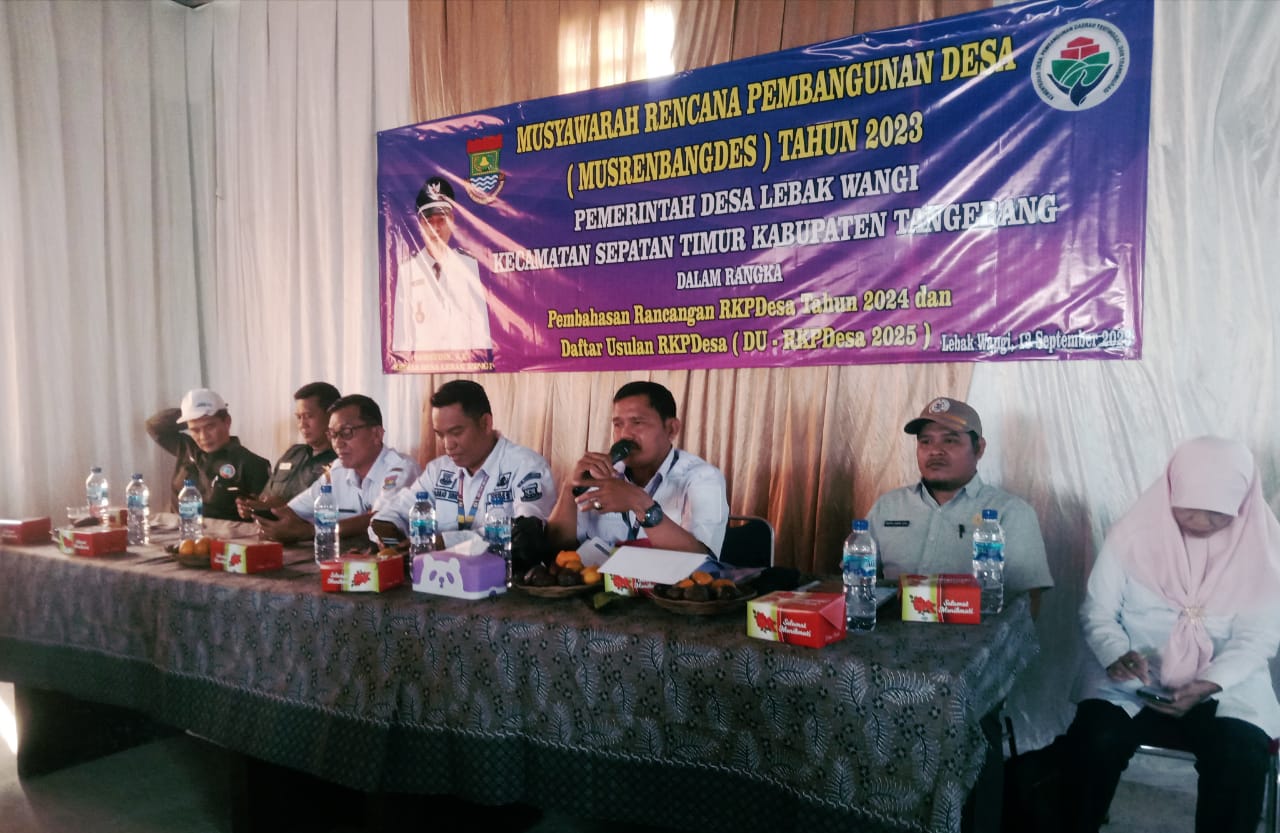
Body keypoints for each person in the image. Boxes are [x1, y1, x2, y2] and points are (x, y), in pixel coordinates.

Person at [1059, 436, 1280, 833]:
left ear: (1242, 504)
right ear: (1171, 492)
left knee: (1240, 757)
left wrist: (1208, 683)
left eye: (1217, 514)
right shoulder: (1131, 535)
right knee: (1094, 740)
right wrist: (1116, 654)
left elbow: (1258, 638)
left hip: (1225, 687)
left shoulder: (1263, 549)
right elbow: (1098, 611)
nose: (1201, 523)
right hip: (1135, 680)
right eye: (1189, 509)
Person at [867, 396, 1054, 615]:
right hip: (893, 634)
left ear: (979, 448)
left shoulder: (1011, 513)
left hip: (976, 636)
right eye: (925, 441)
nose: (935, 451)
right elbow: (857, 580)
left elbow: (1027, 604)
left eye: (950, 440)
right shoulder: (888, 506)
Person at [371, 380, 556, 569]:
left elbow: (526, 532)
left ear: (485, 423)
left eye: (456, 432)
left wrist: (447, 542)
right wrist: (388, 530)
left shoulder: (525, 466)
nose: (448, 445)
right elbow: (395, 510)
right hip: (442, 576)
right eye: (441, 435)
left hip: (502, 578)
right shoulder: (439, 471)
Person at [546, 381, 728, 558]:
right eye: (618, 424)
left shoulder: (703, 478)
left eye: (637, 422)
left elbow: (704, 561)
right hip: (593, 578)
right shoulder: (600, 474)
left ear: (671, 429)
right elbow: (555, 550)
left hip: (662, 580)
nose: (625, 434)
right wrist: (569, 489)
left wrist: (641, 504)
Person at [256, 394, 419, 543]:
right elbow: (294, 510)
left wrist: (312, 531)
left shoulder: (401, 469)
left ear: (376, 434)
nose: (337, 443)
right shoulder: (337, 470)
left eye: (346, 432)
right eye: (333, 434)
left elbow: (381, 521)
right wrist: (272, 520)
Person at [390, 176, 492, 357]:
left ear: (451, 220)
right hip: (423, 365)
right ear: (420, 225)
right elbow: (402, 337)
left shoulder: (468, 265)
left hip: (463, 363)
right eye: (429, 221)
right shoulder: (408, 270)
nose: (436, 229)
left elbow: (480, 331)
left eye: (441, 220)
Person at [146, 387, 271, 521]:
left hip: (222, 532)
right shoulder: (186, 448)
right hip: (177, 528)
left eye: (210, 426)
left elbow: (266, 515)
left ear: (227, 422)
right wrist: (189, 414)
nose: (203, 436)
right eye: (195, 430)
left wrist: (250, 510)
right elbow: (154, 426)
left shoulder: (253, 464)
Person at [236, 381, 340, 518]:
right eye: (299, 417)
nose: (302, 424)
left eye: (309, 416)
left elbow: (332, 515)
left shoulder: (342, 461)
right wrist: (253, 505)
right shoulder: (293, 453)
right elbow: (266, 497)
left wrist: (285, 506)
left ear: (331, 416)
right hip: (266, 529)